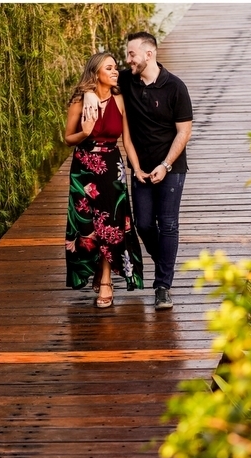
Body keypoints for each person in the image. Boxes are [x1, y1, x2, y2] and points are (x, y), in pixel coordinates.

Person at [86, 32, 192, 310]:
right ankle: (166, 264)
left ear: (149, 54)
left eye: (132, 54)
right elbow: (96, 76)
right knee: (144, 224)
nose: (127, 60)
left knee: (167, 224)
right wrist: (87, 94)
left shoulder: (176, 87)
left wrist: (165, 165)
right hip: (140, 170)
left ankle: (163, 286)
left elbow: (184, 132)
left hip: (171, 168)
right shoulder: (127, 81)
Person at [64, 52, 145, 308]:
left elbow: (127, 140)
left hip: (111, 166)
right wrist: (84, 133)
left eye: (114, 68)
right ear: (95, 73)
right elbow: (67, 138)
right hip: (83, 169)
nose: (114, 71)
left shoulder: (119, 99)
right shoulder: (80, 101)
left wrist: (137, 169)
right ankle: (97, 269)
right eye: (108, 68)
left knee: (109, 224)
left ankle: (107, 280)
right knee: (87, 224)